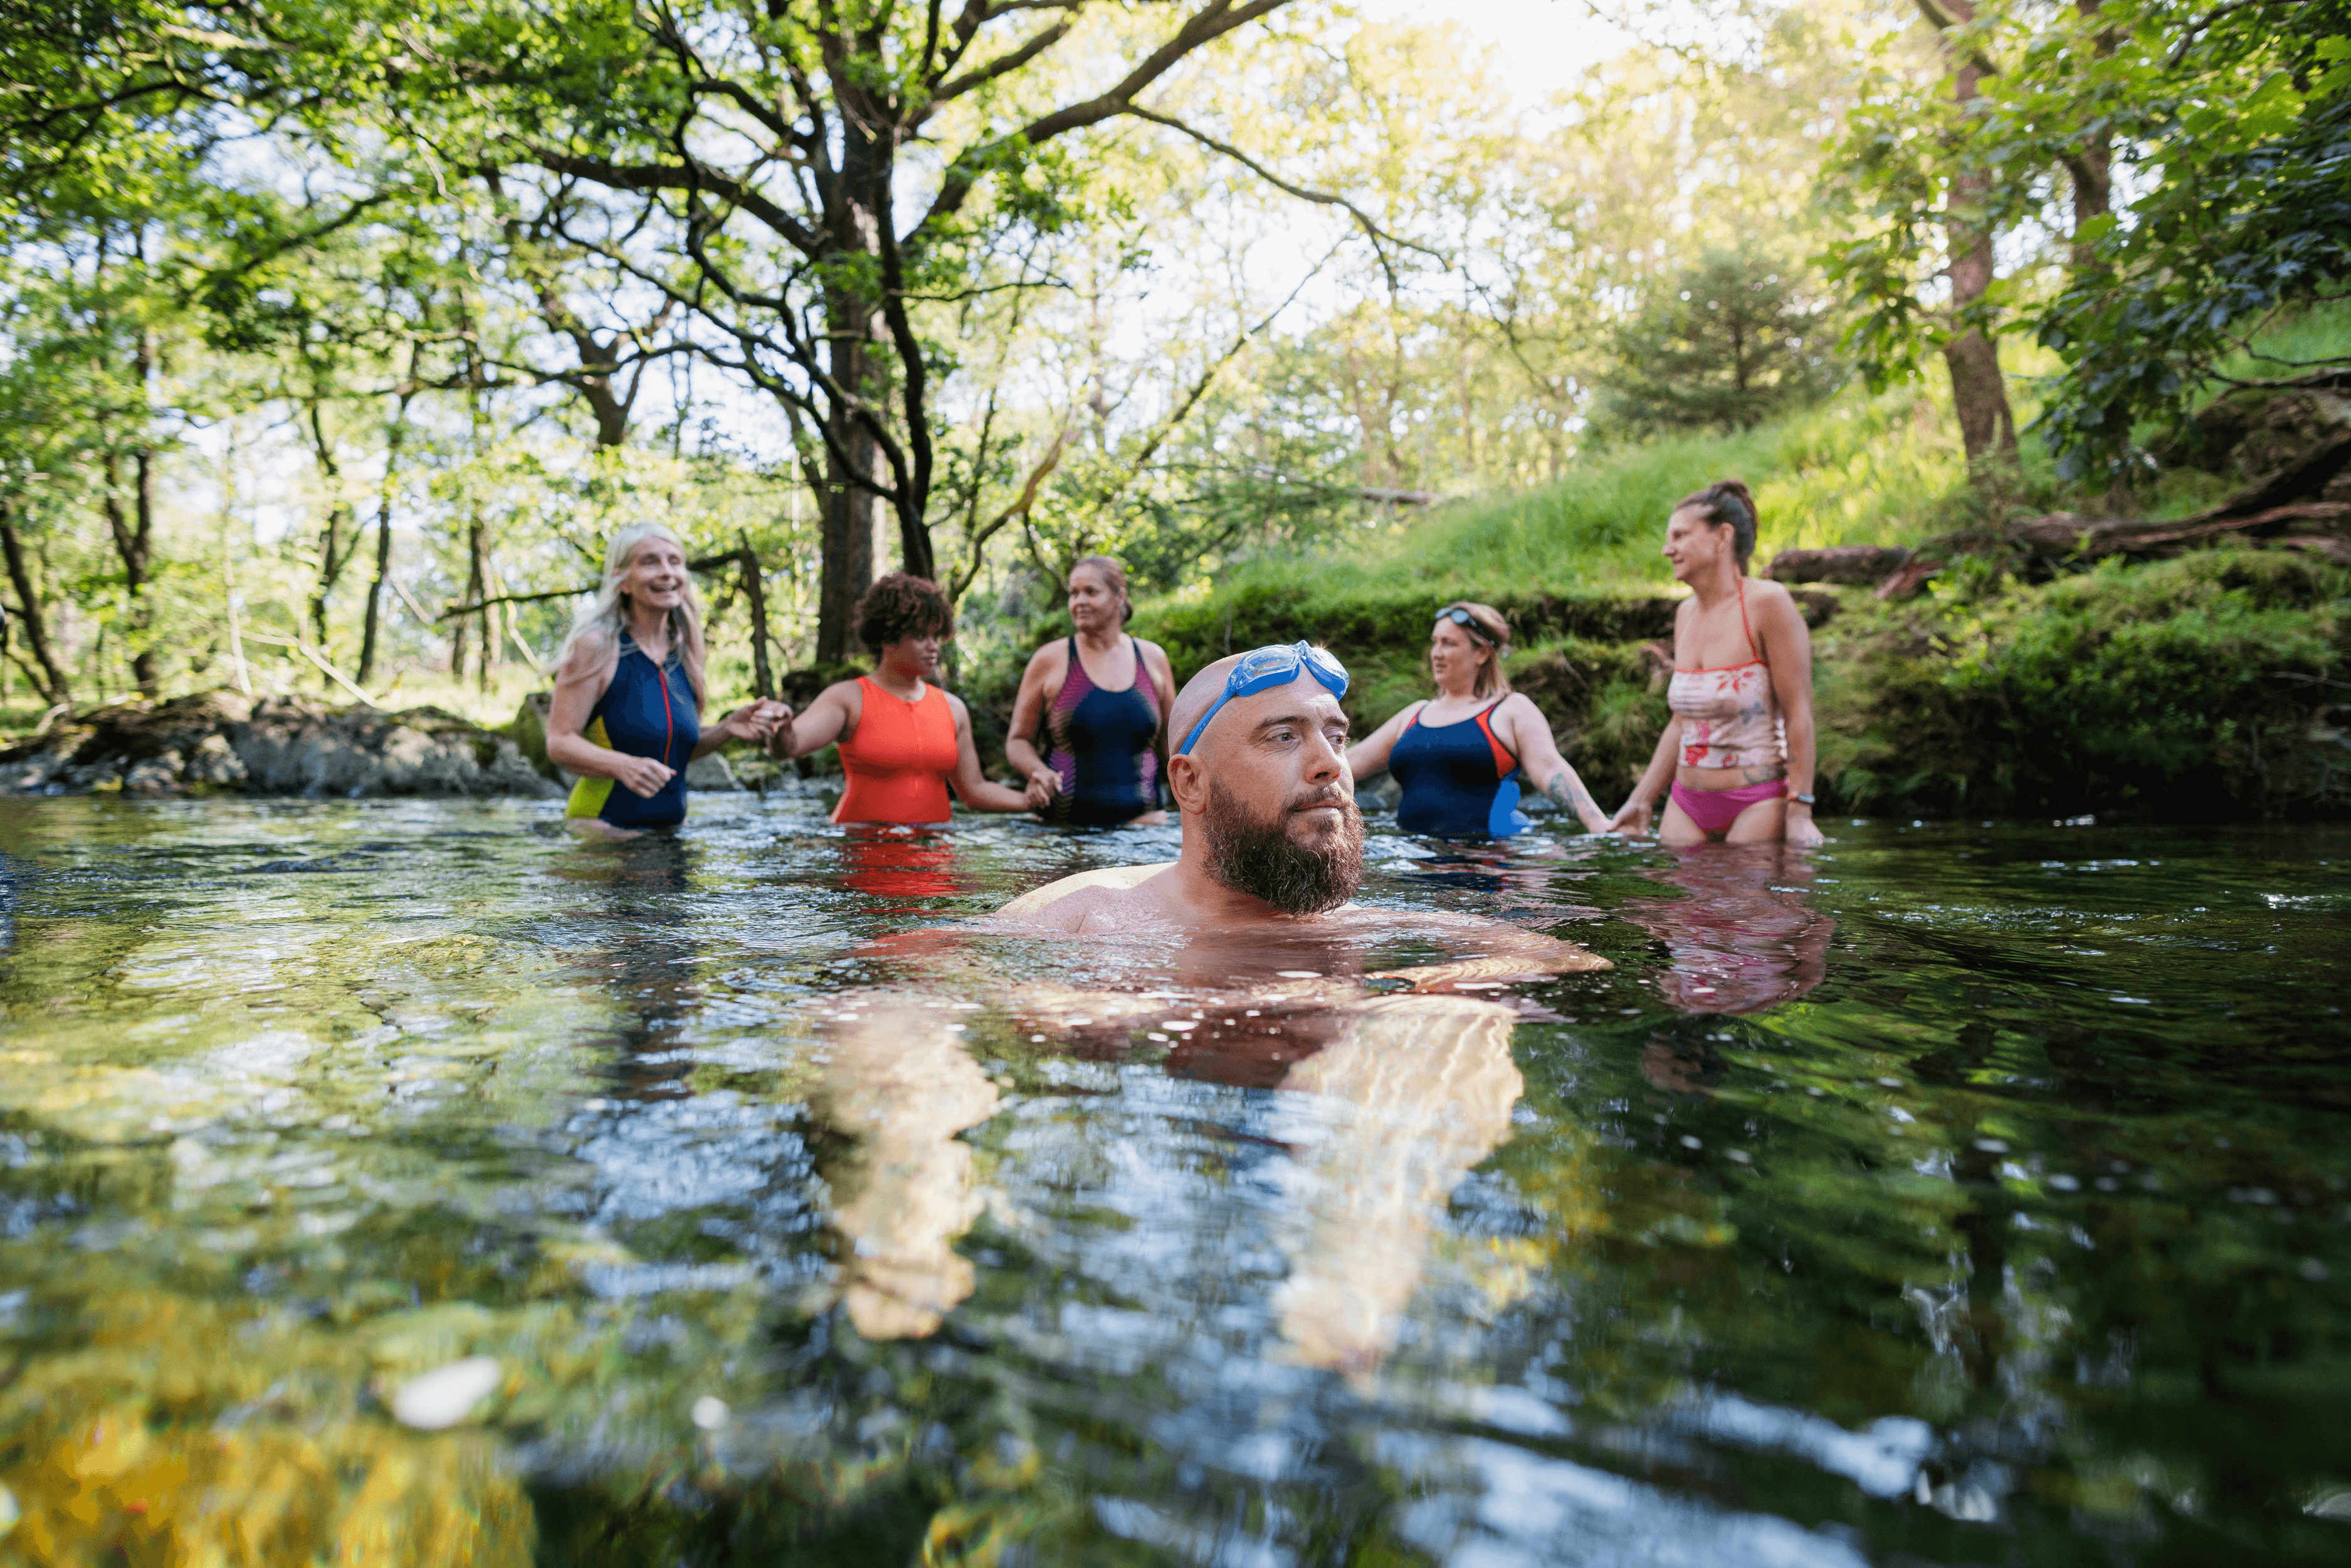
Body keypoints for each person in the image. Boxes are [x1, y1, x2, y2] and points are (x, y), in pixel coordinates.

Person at [1610, 481, 1824, 848]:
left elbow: (1798, 712)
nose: (1667, 550)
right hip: (1686, 802)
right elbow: (1681, 724)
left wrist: (1800, 811)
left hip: (1757, 800)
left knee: (1739, 904)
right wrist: (1641, 799)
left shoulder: (1768, 604)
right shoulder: (1685, 614)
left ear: (1723, 537)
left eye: (1680, 536)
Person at [546, 522, 784, 834]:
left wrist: (727, 728)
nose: (667, 572)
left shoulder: (687, 652)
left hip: (671, 835)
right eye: (650, 562)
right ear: (623, 581)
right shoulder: (596, 646)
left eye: (675, 561)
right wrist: (623, 766)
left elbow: (674, 750)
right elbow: (559, 742)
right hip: (603, 835)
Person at [767, 572, 1038, 825]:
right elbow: (789, 747)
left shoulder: (953, 709)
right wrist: (780, 726)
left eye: (936, 635)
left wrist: (1030, 801)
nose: (933, 646)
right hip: (863, 854)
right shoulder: (848, 698)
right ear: (888, 636)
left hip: (934, 858)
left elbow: (975, 791)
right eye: (920, 636)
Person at [1344, 601, 1611, 837]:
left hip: (1490, 862)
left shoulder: (1511, 710)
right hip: (1416, 863)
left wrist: (1599, 824)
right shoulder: (1414, 714)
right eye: (1435, 642)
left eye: (1448, 643)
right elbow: (1348, 764)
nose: (1436, 653)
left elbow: (1551, 770)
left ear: (1482, 653)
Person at [1004, 555, 1177, 827]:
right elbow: (1018, 740)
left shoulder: (1153, 658)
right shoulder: (1049, 660)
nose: (1079, 602)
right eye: (1073, 593)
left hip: (1143, 830)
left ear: (1119, 596)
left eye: (1090, 592)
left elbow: (1175, 744)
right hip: (1065, 833)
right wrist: (1038, 772)